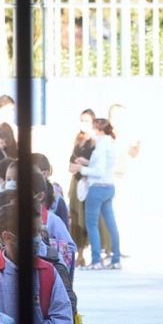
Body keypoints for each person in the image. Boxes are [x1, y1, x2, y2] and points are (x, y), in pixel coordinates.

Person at [79, 117, 124, 269]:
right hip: (109, 186)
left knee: (92, 224)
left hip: (97, 187)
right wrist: (86, 163)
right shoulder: (110, 143)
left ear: (98, 130)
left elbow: (99, 170)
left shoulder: (101, 145)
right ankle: (116, 259)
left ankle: (96, 260)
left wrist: (81, 169)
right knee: (111, 224)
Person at [67, 109, 98, 265]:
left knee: (88, 219)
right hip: (76, 183)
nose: (83, 124)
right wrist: (76, 165)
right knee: (75, 218)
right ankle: (78, 253)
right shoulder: (78, 140)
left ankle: (92, 253)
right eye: (81, 120)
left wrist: (83, 164)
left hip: (89, 182)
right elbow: (71, 163)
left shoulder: (96, 142)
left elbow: (97, 164)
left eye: (86, 120)